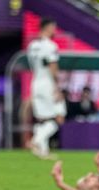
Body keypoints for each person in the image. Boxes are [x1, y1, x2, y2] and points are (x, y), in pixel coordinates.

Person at [27, 18, 66, 158]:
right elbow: (53, 67)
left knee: (43, 119)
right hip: (47, 83)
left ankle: (43, 152)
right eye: (53, 27)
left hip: (36, 81)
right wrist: (57, 87)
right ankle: (36, 141)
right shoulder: (51, 46)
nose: (54, 30)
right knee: (59, 116)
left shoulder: (32, 45)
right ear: (48, 27)